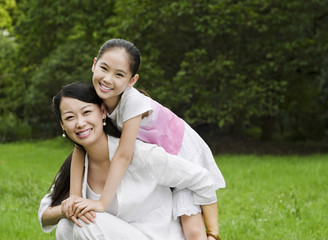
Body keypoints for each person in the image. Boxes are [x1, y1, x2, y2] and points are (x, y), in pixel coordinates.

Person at [69, 39, 226, 239]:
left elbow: (123, 155)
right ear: (94, 65)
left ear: (132, 80)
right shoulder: (97, 99)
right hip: (157, 159)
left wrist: (101, 203)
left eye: (119, 74)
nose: (108, 79)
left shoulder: (132, 101)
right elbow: (81, 146)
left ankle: (213, 235)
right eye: (104, 68)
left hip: (181, 152)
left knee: (193, 231)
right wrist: (75, 196)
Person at [38, 82, 220, 239]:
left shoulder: (138, 154)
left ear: (102, 112)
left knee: (87, 222)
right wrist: (65, 209)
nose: (79, 123)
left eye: (86, 112)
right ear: (62, 125)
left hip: (156, 237)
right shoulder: (77, 164)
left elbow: (203, 179)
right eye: (70, 117)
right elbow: (45, 214)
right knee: (65, 226)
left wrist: (212, 234)